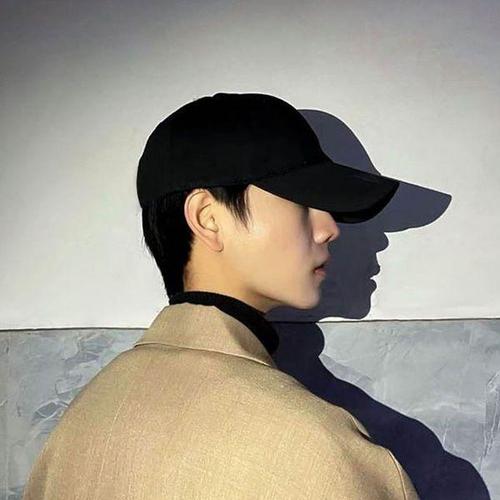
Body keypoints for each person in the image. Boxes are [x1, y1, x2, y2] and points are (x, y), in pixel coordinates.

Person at [23, 92, 419, 499]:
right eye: (303, 202)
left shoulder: (78, 425)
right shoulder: (315, 447)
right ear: (208, 218)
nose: (329, 229)